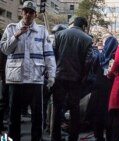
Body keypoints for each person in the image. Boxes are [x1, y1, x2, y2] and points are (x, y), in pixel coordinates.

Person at [0, 1, 56, 141]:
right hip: (16, 79)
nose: (28, 14)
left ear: (35, 15)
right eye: (26, 11)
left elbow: (49, 55)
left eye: (31, 12)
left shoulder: (42, 31)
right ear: (21, 13)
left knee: (37, 116)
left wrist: (51, 75)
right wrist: (16, 36)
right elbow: (5, 50)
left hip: (35, 78)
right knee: (13, 115)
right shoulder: (11, 28)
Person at [51, 16, 93, 141]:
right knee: (74, 109)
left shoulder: (59, 35)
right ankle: (73, 137)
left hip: (59, 76)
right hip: (76, 79)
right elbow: (88, 61)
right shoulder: (87, 39)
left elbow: (52, 55)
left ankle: (55, 136)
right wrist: (83, 77)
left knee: (57, 107)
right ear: (84, 26)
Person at [87, 36, 119, 141]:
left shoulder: (99, 56)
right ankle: (110, 136)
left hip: (98, 88)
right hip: (111, 89)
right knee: (110, 114)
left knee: (98, 114)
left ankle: (98, 136)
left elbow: (93, 69)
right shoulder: (117, 58)